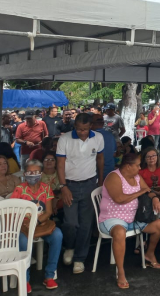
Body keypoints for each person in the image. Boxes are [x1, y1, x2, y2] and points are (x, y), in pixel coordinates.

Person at [99, 152, 160, 286]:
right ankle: (121, 272)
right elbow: (119, 199)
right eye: (137, 165)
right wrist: (140, 192)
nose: (140, 168)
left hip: (133, 219)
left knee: (158, 225)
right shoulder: (113, 176)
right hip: (112, 219)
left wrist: (155, 198)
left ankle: (149, 254)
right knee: (119, 232)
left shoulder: (136, 177)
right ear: (128, 166)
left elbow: (148, 190)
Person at [57, 112, 104, 274]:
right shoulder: (64, 139)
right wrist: (63, 186)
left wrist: (100, 181)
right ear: (74, 126)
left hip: (90, 184)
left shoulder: (98, 138)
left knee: (85, 224)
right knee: (70, 223)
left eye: (84, 129)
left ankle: (79, 258)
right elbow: (60, 164)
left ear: (90, 126)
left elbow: (100, 159)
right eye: (78, 129)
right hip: (70, 185)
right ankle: (69, 247)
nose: (81, 132)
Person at [12, 158, 63, 291]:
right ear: (25, 174)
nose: (33, 175)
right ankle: (25, 279)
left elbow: (49, 211)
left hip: (41, 224)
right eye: (30, 172)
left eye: (36, 172)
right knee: (23, 242)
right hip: (24, 227)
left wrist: (36, 222)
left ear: (41, 174)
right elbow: (13, 210)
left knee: (57, 235)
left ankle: (49, 276)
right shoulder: (19, 189)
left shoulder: (46, 188)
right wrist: (26, 223)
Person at [139, 147, 160, 255]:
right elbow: (140, 188)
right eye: (148, 156)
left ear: (158, 157)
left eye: (153, 155)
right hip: (147, 199)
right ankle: (143, 241)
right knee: (144, 211)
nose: (151, 158)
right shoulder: (141, 171)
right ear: (144, 159)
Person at [92, 113, 117, 180]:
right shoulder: (110, 136)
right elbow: (114, 154)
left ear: (91, 124)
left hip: (95, 174)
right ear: (103, 123)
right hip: (109, 172)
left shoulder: (91, 136)